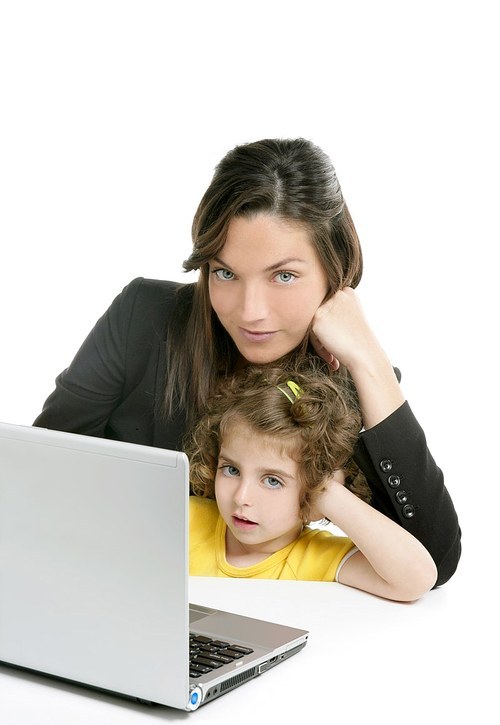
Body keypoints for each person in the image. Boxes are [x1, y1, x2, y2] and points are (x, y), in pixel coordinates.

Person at [33, 137, 461, 586]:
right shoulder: (143, 316)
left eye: (284, 276)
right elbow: (40, 470)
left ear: (334, 275)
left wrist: (370, 361)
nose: (250, 310)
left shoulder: (350, 378)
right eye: (225, 273)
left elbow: (434, 563)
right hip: (112, 583)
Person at [186, 362, 438, 601]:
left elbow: (417, 578)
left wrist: (326, 491)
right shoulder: (186, 519)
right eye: (231, 470)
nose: (241, 497)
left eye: (272, 481)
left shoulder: (314, 557)